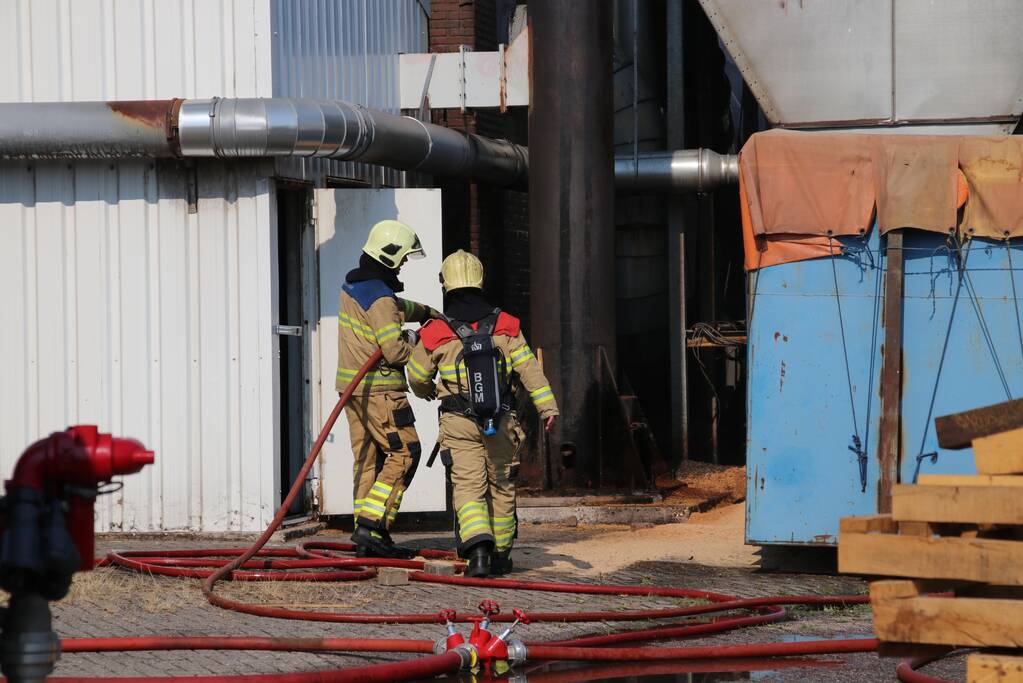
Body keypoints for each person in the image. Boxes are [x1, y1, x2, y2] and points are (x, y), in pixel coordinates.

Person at [407, 250, 558, 577]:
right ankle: (502, 556)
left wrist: (429, 392)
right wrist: (547, 407)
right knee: (501, 485)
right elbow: (530, 370)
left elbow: (417, 375)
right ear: (479, 280)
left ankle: (477, 554)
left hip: (458, 423)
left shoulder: (436, 330)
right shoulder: (506, 325)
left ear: (446, 284)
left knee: (469, 487)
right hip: (502, 421)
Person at [337, 220, 438, 559]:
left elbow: (394, 308)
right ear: (390, 255)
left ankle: (364, 535)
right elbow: (395, 349)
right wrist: (420, 339)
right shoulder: (380, 297)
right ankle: (373, 527)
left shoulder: (354, 285)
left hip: (354, 393)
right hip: (381, 393)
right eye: (404, 258)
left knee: (367, 461)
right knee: (405, 453)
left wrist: (426, 312)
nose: (406, 263)